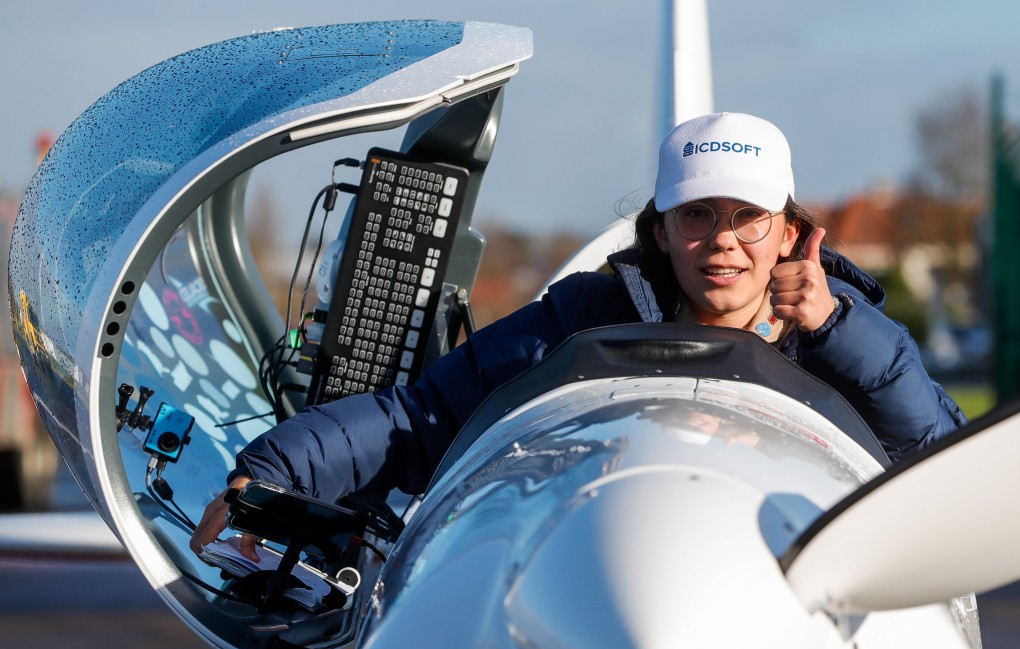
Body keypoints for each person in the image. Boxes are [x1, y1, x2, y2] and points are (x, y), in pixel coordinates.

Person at [190, 112, 966, 558]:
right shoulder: (583, 319)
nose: (722, 242)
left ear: (791, 230)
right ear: (660, 232)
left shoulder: (846, 335)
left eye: (747, 218)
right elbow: (423, 419)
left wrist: (834, 328)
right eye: (696, 215)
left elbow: (939, 460)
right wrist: (279, 469)